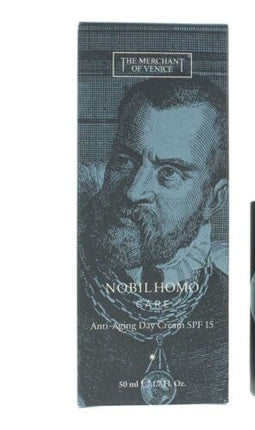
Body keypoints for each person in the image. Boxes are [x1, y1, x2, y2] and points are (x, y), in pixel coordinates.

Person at [78, 77, 228, 405]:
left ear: (213, 200)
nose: (134, 191)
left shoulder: (231, 293)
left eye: (169, 172)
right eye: (125, 161)